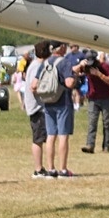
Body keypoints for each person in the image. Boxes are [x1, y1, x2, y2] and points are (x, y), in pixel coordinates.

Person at [41, 41, 78, 178]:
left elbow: (34, 84)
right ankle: (63, 169)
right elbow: (68, 83)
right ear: (61, 48)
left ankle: (50, 169)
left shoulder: (45, 63)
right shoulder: (65, 63)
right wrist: (75, 77)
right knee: (63, 135)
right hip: (63, 101)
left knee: (51, 136)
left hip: (48, 101)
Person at [79, 51, 109, 153]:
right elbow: (75, 72)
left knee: (107, 123)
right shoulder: (86, 67)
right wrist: (80, 65)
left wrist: (99, 74)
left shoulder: (104, 66)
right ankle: (90, 145)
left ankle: (106, 146)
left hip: (105, 97)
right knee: (92, 123)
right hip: (93, 98)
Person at [23, 40, 49, 177]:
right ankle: (38, 169)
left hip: (38, 107)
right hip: (37, 108)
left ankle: (41, 167)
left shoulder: (36, 65)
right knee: (38, 139)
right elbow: (34, 87)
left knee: (41, 138)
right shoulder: (37, 66)